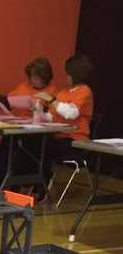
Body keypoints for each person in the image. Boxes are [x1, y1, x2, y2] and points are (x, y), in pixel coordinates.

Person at [0, 57, 57, 190]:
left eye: (35, 77)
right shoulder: (24, 86)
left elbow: (54, 115)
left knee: (35, 144)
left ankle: (39, 180)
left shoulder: (52, 92)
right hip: (20, 126)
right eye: (30, 77)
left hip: (38, 130)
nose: (31, 80)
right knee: (7, 143)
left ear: (45, 77)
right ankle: (0, 182)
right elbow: (9, 100)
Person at [37, 54, 95, 186]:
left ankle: (43, 184)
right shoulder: (63, 92)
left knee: (42, 147)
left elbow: (71, 113)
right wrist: (38, 110)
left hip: (75, 139)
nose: (66, 76)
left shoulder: (84, 91)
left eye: (68, 74)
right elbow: (52, 117)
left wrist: (51, 100)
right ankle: (35, 181)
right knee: (33, 143)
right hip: (59, 136)